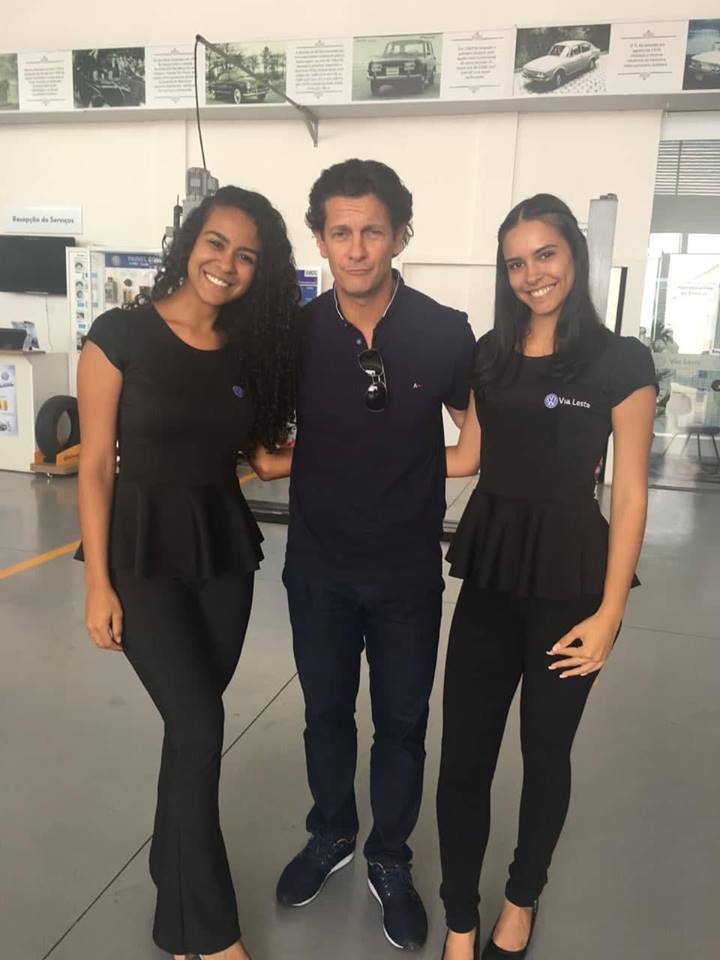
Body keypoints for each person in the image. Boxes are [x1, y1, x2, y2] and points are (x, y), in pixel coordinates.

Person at [77, 185, 297, 960]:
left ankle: (174, 908)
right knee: (201, 726)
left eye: (247, 256)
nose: (227, 264)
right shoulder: (120, 336)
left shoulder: (244, 354)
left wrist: (359, 442)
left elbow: (263, 458)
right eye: (216, 243)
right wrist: (97, 584)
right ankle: (214, 935)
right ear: (189, 243)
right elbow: (95, 468)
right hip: (140, 555)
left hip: (221, 556)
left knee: (189, 731)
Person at [436, 194, 657, 960]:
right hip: (492, 574)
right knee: (463, 758)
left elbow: (630, 495)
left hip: (571, 584)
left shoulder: (620, 361)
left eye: (545, 254)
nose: (532, 274)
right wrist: (357, 457)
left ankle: (521, 897)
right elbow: (466, 457)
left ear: (574, 255)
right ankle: (460, 919)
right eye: (516, 263)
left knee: (545, 754)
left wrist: (609, 615)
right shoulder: (490, 355)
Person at [276, 159, 476, 951]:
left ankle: (389, 856)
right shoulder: (293, 336)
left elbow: (473, 440)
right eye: (340, 232)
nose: (356, 248)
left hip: (405, 574)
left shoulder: (444, 331)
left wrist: (417, 466)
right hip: (317, 568)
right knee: (325, 713)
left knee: (401, 723)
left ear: (400, 235)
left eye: (372, 231)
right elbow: (263, 444)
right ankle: (331, 831)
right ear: (319, 238)